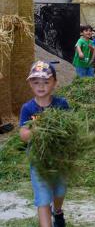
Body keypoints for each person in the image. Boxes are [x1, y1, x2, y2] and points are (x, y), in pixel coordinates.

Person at [19, 61, 69, 227]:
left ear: (54, 83)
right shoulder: (28, 108)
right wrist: (38, 131)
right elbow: (23, 134)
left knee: (60, 191)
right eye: (36, 82)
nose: (41, 86)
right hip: (38, 161)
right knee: (43, 197)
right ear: (30, 84)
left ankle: (58, 211)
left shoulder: (61, 105)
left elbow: (70, 130)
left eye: (46, 82)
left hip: (59, 159)